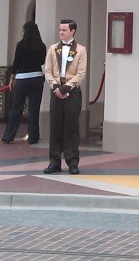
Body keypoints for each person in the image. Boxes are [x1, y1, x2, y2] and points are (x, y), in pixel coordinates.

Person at [42, 19, 87, 174]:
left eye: (64, 30)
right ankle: (54, 161)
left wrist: (66, 88)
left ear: (72, 31)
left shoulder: (81, 50)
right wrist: (55, 87)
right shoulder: (53, 49)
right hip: (56, 91)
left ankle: (72, 162)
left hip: (72, 92)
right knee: (55, 126)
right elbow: (48, 70)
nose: (61, 32)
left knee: (71, 127)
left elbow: (80, 74)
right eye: (60, 30)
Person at [2, 21, 47, 144]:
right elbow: (42, 62)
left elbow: (16, 63)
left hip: (22, 78)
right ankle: (33, 137)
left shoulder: (21, 45)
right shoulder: (42, 46)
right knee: (34, 109)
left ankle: (9, 135)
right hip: (37, 77)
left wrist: (12, 78)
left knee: (17, 107)